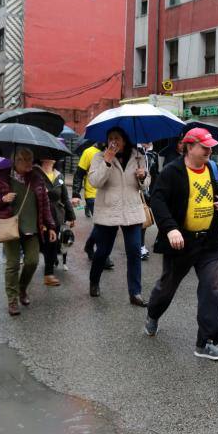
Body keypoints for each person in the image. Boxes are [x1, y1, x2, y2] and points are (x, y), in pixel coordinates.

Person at [146, 128, 218, 360]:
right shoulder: (172, 172)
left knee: (210, 289)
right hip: (181, 243)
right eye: (204, 146)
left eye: (211, 146)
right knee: (167, 286)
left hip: (211, 243)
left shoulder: (214, 169)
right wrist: (171, 228)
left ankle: (205, 342)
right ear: (189, 146)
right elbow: (157, 200)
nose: (210, 150)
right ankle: (153, 314)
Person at [0, 148, 56, 316]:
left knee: (32, 261)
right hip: (10, 226)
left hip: (32, 228)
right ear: (14, 161)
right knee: (12, 264)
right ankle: (12, 300)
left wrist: (51, 226)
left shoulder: (37, 179)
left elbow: (45, 205)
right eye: (23, 159)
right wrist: (3, 199)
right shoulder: (2, 176)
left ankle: (22, 288)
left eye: (30, 159)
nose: (28, 163)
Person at [87, 128, 150, 306]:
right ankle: (94, 281)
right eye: (110, 138)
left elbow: (145, 185)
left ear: (124, 140)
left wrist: (143, 176)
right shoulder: (99, 157)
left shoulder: (137, 156)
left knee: (134, 251)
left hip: (132, 211)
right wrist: (107, 161)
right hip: (109, 210)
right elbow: (95, 182)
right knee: (103, 251)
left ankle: (135, 293)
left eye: (117, 138)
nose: (113, 141)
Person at [72, 143, 113, 269]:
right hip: (92, 195)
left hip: (110, 196)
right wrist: (75, 194)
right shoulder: (88, 152)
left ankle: (89, 246)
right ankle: (104, 256)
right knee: (103, 226)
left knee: (100, 225)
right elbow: (79, 174)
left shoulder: (113, 153)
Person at [37, 159, 76, 284]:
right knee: (43, 244)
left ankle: (49, 274)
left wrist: (71, 216)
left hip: (57, 216)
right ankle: (47, 257)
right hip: (40, 214)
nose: (50, 159)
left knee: (52, 243)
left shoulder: (59, 176)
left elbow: (65, 197)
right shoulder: (35, 173)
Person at [138, 142, 160, 261]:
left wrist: (156, 191)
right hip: (136, 192)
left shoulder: (153, 154)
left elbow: (155, 174)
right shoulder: (134, 152)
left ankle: (140, 246)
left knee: (145, 219)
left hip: (149, 192)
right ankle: (138, 246)